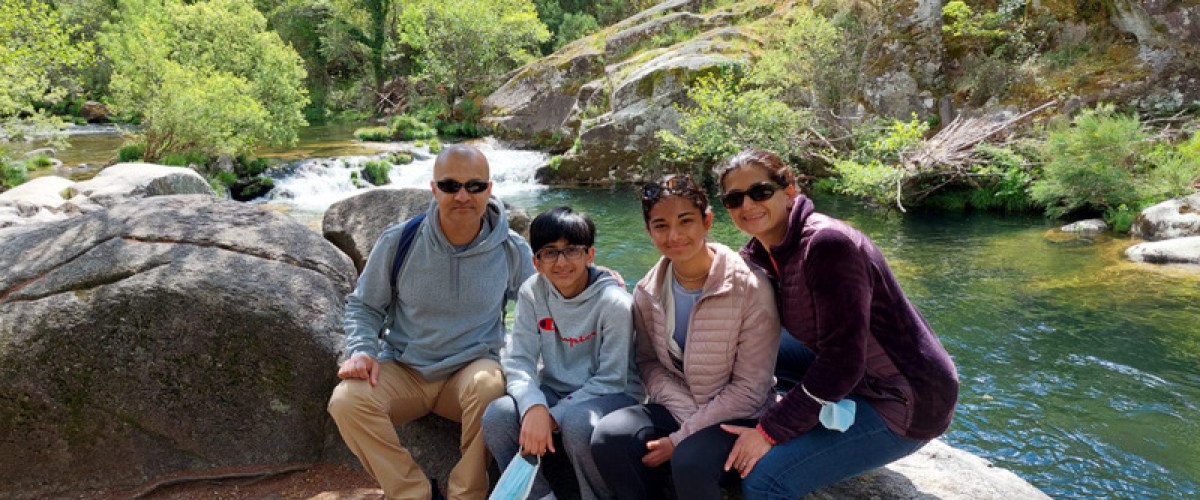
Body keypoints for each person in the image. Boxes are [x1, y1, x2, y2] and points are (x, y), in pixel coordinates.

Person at [714, 149, 959, 499]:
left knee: (764, 480)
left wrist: (769, 430)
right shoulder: (763, 252)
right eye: (734, 198)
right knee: (750, 346)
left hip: (905, 398)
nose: (748, 204)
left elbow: (841, 363)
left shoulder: (828, 246)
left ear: (789, 190)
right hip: (859, 375)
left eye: (761, 191)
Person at [327, 144, 536, 500]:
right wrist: (362, 350)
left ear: (489, 189)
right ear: (434, 189)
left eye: (474, 186)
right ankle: (413, 493)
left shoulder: (511, 249)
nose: (462, 196)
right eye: (450, 185)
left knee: (491, 384)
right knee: (346, 402)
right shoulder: (400, 241)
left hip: (471, 370)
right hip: (405, 369)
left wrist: (592, 279)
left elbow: (540, 305)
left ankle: (467, 494)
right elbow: (364, 307)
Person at [590, 174, 780, 500]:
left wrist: (680, 437)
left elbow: (751, 388)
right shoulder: (648, 291)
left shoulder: (750, 286)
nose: (674, 235)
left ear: (707, 221)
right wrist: (688, 414)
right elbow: (648, 361)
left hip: (739, 415)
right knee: (610, 437)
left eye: (685, 221)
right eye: (661, 225)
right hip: (681, 406)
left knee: (689, 461)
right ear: (649, 231)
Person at [482, 206, 644, 500]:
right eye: (550, 252)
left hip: (613, 394)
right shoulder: (532, 292)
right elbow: (519, 360)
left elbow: (612, 378)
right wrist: (534, 406)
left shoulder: (614, 302)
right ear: (536, 261)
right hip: (556, 389)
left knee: (579, 423)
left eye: (572, 250)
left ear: (590, 254)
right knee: (498, 415)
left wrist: (553, 416)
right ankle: (539, 496)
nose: (562, 261)